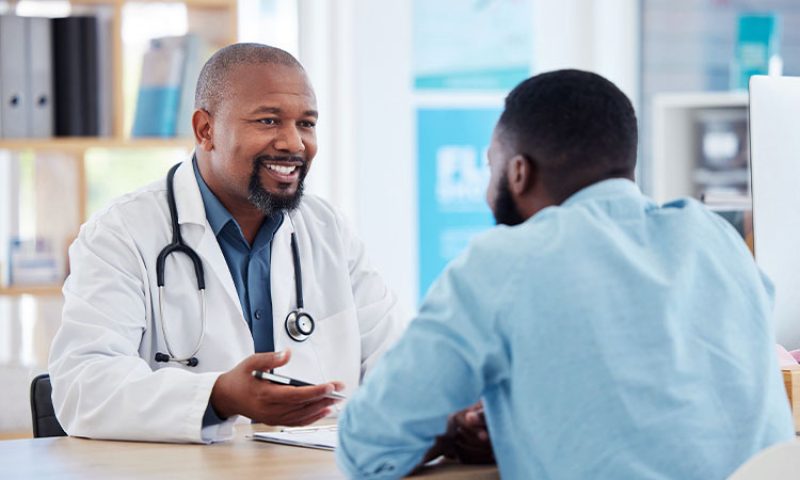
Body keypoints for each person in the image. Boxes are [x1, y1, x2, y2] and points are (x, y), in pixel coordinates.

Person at [336, 69, 794, 478]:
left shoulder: (505, 261)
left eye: (490, 166)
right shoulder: (717, 240)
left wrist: (448, 429)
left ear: (519, 172)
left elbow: (367, 449)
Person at [48, 43, 406, 443]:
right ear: (206, 130)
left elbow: (396, 362)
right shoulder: (122, 233)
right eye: (269, 121)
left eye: (306, 123)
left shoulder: (328, 231)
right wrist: (218, 398)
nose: (294, 143)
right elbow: (83, 387)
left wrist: (447, 416)